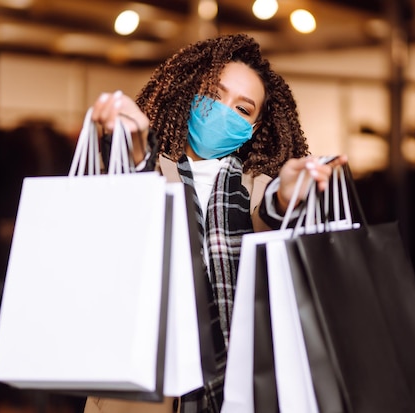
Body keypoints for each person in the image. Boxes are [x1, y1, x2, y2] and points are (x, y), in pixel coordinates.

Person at [84, 33, 345, 413]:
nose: (224, 111)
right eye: (214, 94)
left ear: (254, 129)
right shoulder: (145, 170)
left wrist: (287, 195)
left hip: (240, 393)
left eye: (242, 109)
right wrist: (136, 147)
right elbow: (128, 206)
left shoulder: (260, 190)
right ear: (189, 93)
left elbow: (266, 218)